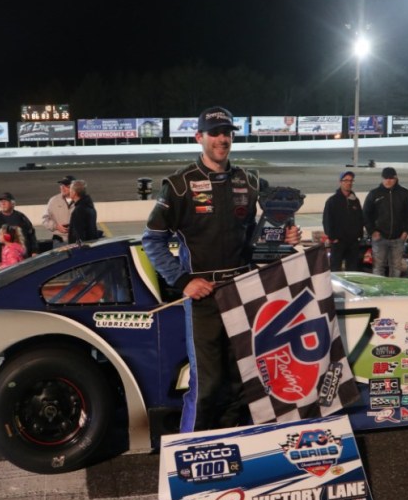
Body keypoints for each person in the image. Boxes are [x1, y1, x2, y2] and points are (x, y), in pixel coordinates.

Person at [142, 106, 301, 433]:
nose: (222, 139)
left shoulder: (250, 180)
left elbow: (261, 235)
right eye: (214, 133)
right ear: (199, 137)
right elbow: (152, 241)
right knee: (208, 384)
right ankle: (191, 449)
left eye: (227, 132)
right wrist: (183, 280)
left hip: (244, 292)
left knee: (240, 381)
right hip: (204, 299)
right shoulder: (179, 185)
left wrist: (285, 238)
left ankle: (232, 446)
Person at [363, 167, 408, 277]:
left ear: (396, 179)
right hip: (379, 238)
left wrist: (406, 231)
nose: (388, 181)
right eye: (385, 178)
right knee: (378, 267)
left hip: (398, 238)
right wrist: (372, 231)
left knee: (396, 268)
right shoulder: (374, 194)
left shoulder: (404, 193)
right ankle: (379, 288)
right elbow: (366, 214)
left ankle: (394, 288)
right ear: (382, 179)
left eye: (391, 178)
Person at [0, 192, 38, 273]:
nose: (2, 203)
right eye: (1, 201)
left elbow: (31, 235)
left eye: (5, 201)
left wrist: (34, 251)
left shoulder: (22, 218)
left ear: (13, 204)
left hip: (20, 262)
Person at [322, 170, 364, 271]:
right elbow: (327, 220)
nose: (349, 183)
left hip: (353, 242)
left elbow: (360, 218)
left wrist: (359, 235)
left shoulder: (355, 200)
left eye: (351, 180)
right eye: (346, 180)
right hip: (338, 242)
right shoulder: (332, 201)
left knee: (353, 270)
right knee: (335, 269)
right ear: (340, 182)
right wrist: (333, 238)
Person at [42, 175, 76, 247]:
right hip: (59, 241)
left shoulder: (81, 201)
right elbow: (45, 220)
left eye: (66, 185)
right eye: (61, 185)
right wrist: (56, 226)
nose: (62, 188)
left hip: (77, 241)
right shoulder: (53, 201)